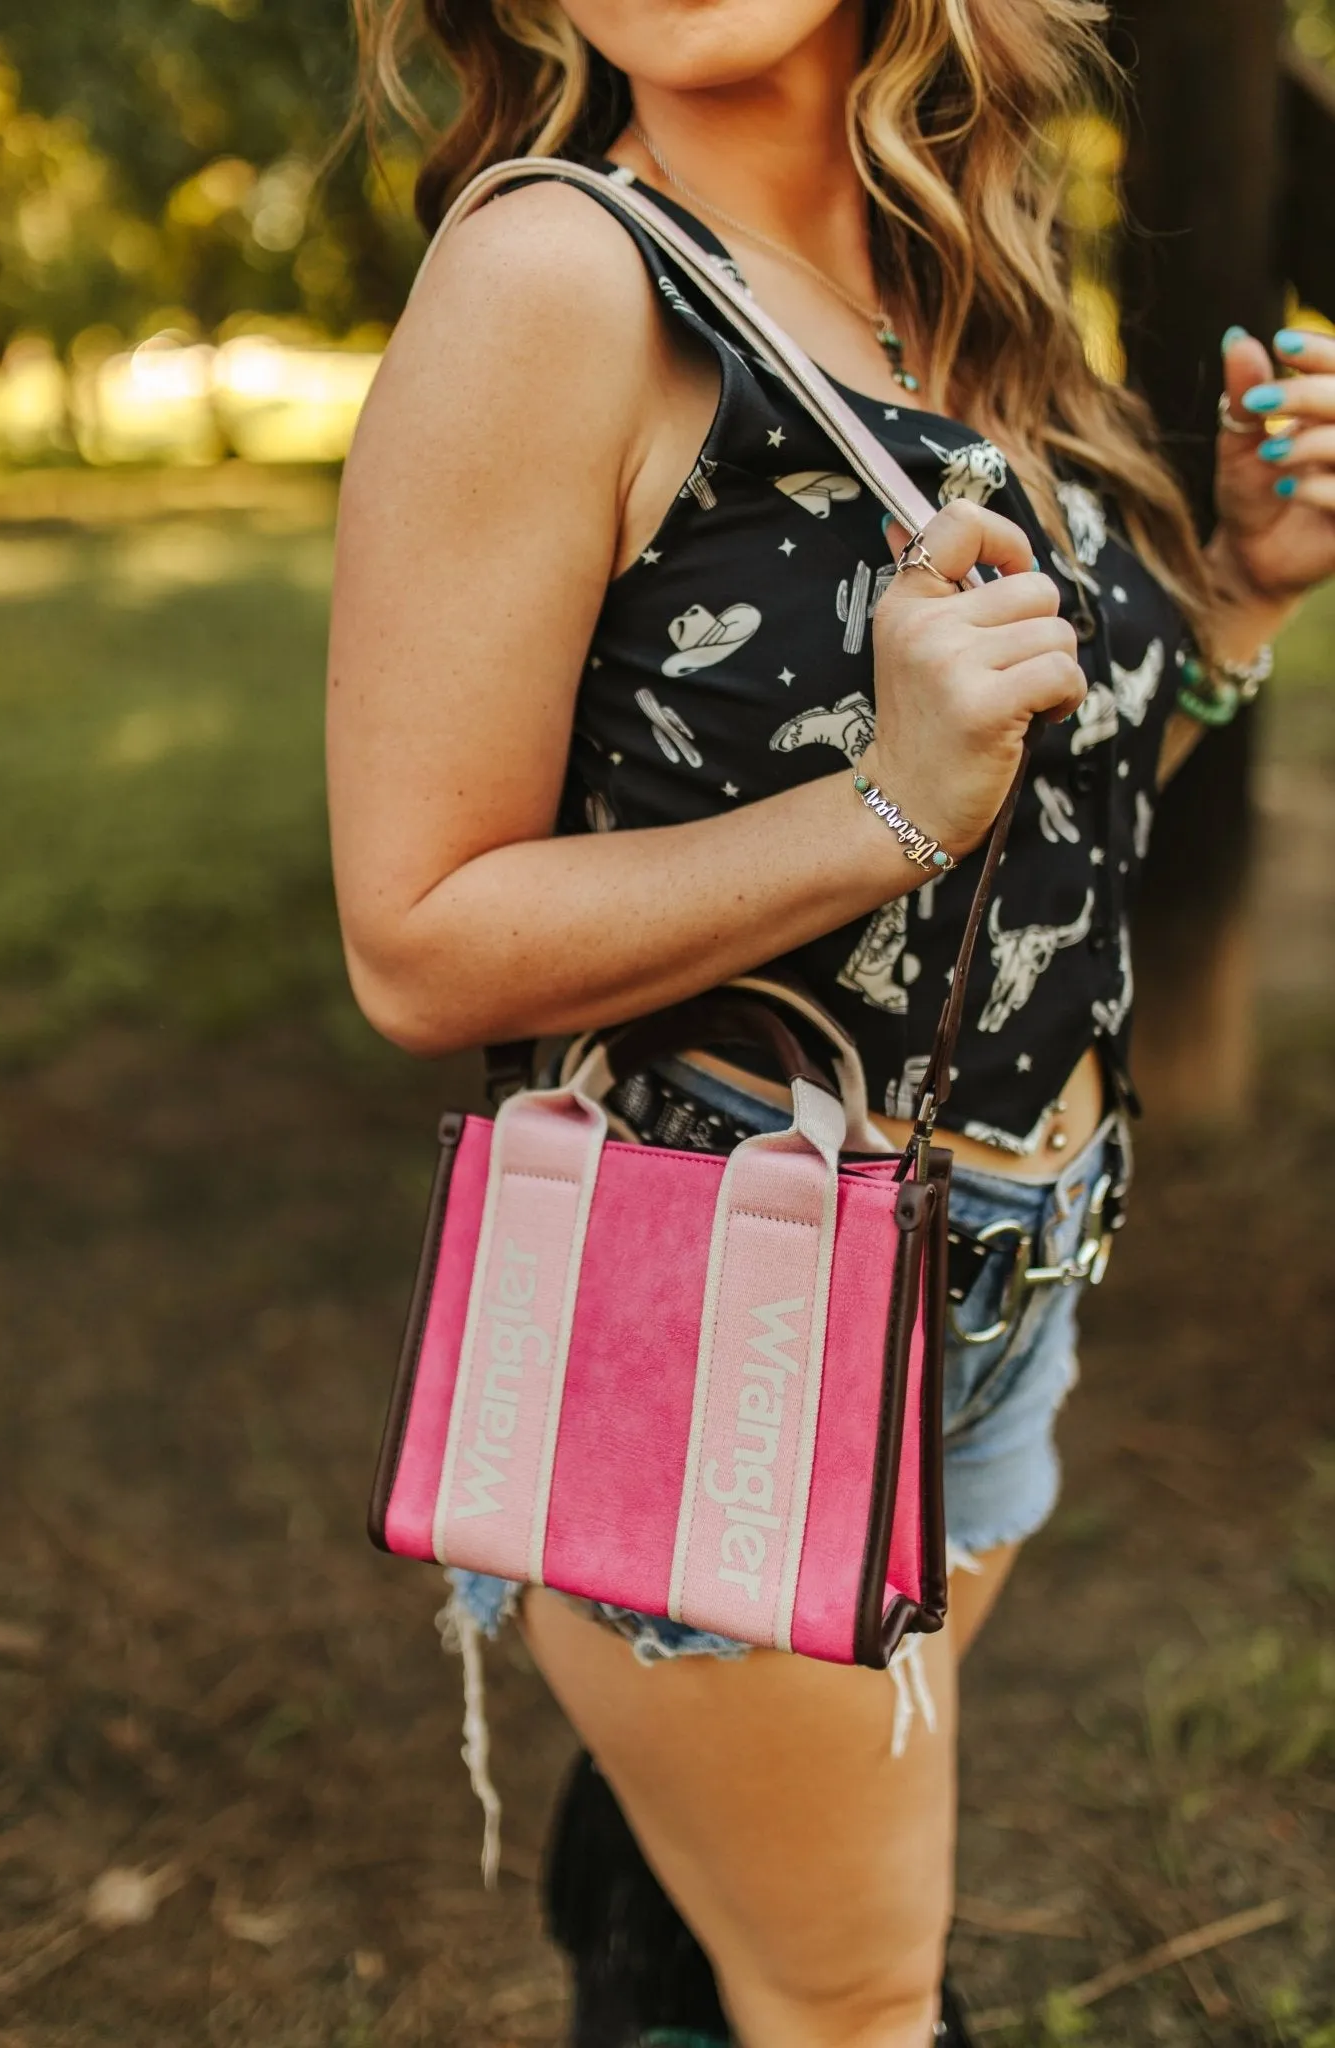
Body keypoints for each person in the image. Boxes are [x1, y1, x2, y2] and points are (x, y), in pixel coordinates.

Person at [327, 4, 1335, 2042]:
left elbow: (1035, 802)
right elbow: (415, 943)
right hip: (727, 1305)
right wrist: (877, 802)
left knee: (749, 1920)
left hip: (989, 1284)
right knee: (861, 1994)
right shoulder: (557, 278)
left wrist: (1229, 600)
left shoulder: (953, 275)